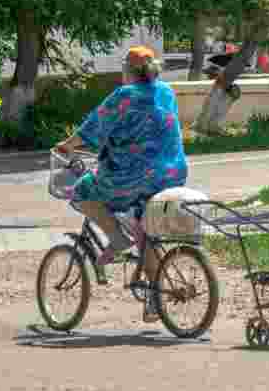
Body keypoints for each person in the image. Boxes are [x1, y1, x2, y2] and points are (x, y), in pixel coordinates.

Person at [55, 45, 188, 316]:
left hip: (134, 175)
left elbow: (95, 125)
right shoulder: (166, 91)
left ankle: (116, 238)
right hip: (171, 172)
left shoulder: (125, 95)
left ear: (128, 70)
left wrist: (68, 145)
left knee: (83, 190)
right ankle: (155, 298)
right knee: (144, 229)